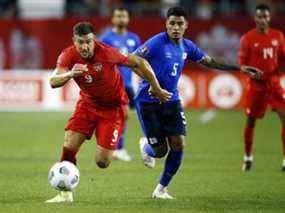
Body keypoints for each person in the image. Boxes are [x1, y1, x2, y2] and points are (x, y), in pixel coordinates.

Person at [134, 6, 261, 199]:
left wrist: (240, 67)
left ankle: (161, 189)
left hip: (171, 100)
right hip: (147, 101)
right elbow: (133, 59)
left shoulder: (188, 46)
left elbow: (210, 62)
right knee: (160, 151)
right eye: (172, 23)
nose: (175, 27)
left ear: (186, 26)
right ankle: (146, 147)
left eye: (179, 24)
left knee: (179, 143)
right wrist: (153, 85)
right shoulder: (157, 43)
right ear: (166, 25)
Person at [45, 22, 172, 203]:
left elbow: (139, 62)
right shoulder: (68, 55)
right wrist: (70, 74)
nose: (85, 46)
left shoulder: (106, 52)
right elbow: (53, 81)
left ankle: (145, 145)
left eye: (88, 41)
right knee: (69, 144)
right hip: (87, 105)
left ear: (94, 39)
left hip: (113, 109)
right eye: (80, 42)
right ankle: (65, 194)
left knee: (102, 162)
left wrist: (156, 87)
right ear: (74, 41)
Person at [238, 4, 285, 172]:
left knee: (284, 116)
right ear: (255, 18)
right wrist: (250, 72)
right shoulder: (247, 38)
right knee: (251, 121)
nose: (263, 20)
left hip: (274, 84)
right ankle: (248, 157)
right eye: (260, 17)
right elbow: (242, 65)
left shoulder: (278, 36)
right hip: (256, 87)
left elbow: (283, 59)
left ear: (269, 18)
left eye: (266, 16)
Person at [99, 7, 141, 162]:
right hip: (113, 83)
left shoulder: (134, 38)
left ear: (128, 18)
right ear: (113, 19)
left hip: (128, 83)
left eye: (124, 15)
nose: (121, 18)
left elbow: (138, 62)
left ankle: (115, 147)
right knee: (123, 114)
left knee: (124, 115)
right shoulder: (106, 39)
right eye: (118, 16)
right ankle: (118, 149)